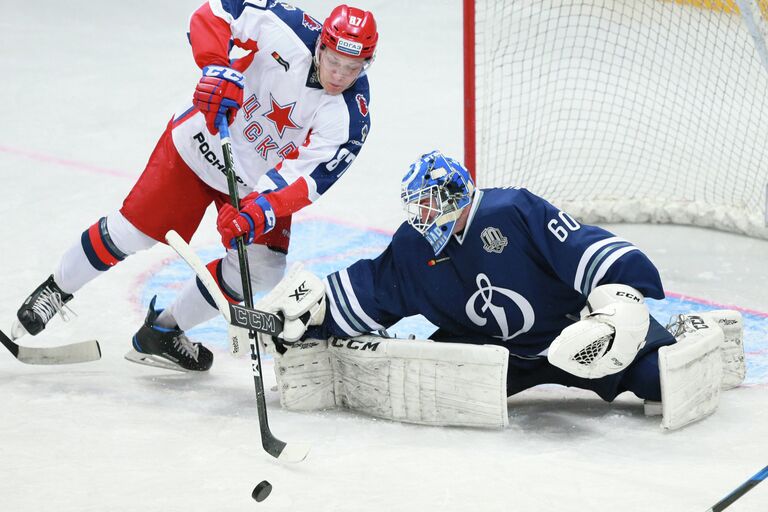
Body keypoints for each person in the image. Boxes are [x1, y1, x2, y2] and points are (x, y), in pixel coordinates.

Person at [255, 150, 746, 430]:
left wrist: (618, 307)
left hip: (576, 339)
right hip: (492, 354)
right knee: (428, 392)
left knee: (666, 385)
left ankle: (695, 333)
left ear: (456, 195)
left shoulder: (512, 211)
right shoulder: (413, 246)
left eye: (430, 205)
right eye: (417, 208)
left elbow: (590, 250)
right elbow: (377, 290)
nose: (423, 218)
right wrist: (313, 312)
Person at [11, 1, 378, 372]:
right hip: (201, 142)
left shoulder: (351, 114)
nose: (339, 75)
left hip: (253, 180)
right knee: (133, 233)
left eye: (352, 68)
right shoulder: (285, 25)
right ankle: (55, 289)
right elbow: (214, 13)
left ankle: (164, 332)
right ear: (321, 45)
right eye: (334, 61)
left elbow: (308, 178)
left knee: (262, 268)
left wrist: (260, 209)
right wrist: (216, 65)